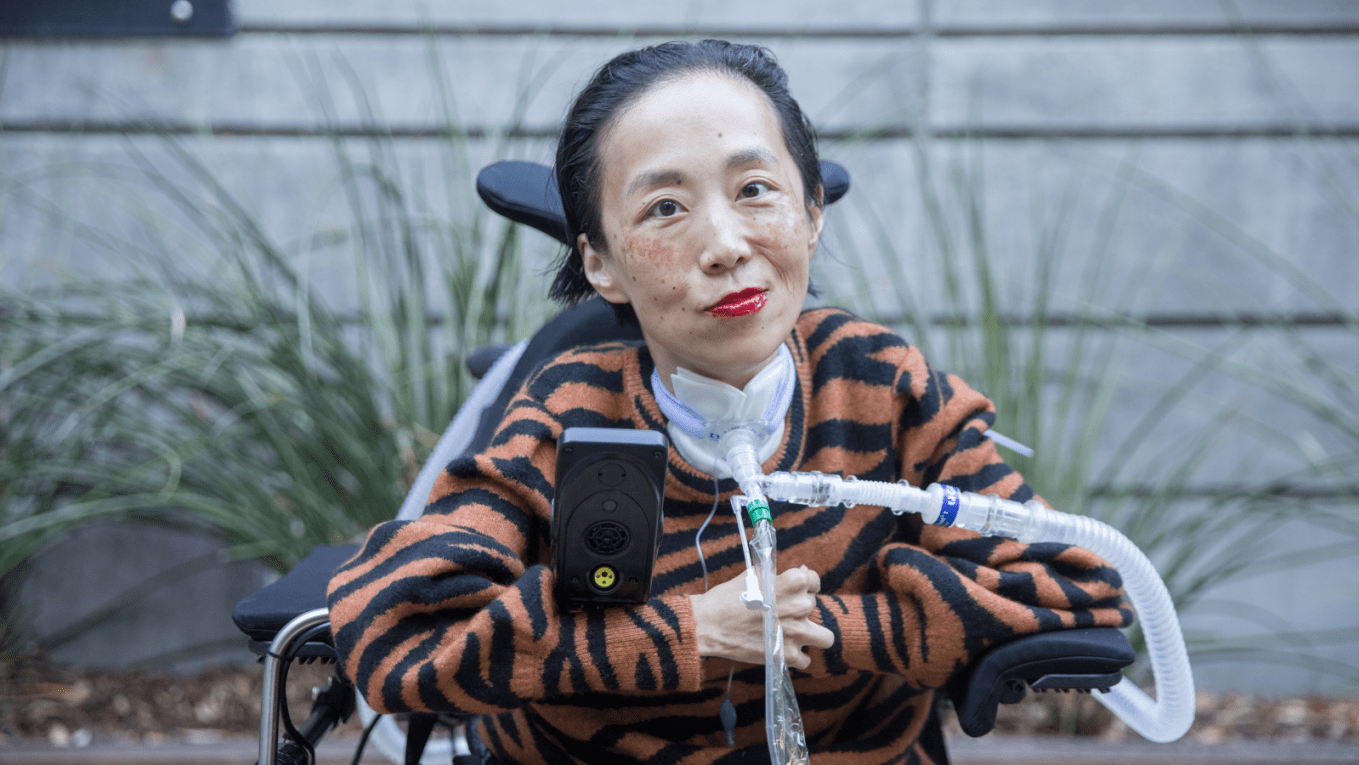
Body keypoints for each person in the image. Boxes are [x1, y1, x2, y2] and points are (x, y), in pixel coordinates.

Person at [327, 40, 1130, 764]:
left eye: (755, 189)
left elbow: (1076, 580)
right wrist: (694, 633)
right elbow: (398, 631)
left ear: (811, 214)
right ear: (601, 262)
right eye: (665, 208)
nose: (725, 246)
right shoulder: (568, 413)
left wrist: (832, 629)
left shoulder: (881, 387)